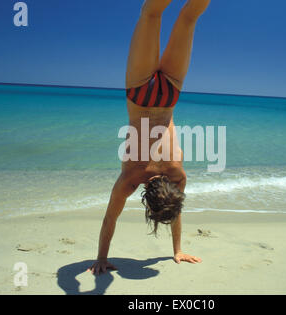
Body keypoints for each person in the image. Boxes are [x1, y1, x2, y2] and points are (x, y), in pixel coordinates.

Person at [89, 0, 210, 275]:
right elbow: (110, 219)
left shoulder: (178, 176)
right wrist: (101, 258)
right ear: (145, 197)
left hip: (169, 94)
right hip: (140, 94)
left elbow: (175, 209)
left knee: (189, 17)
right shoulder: (131, 178)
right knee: (151, 12)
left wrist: (177, 249)